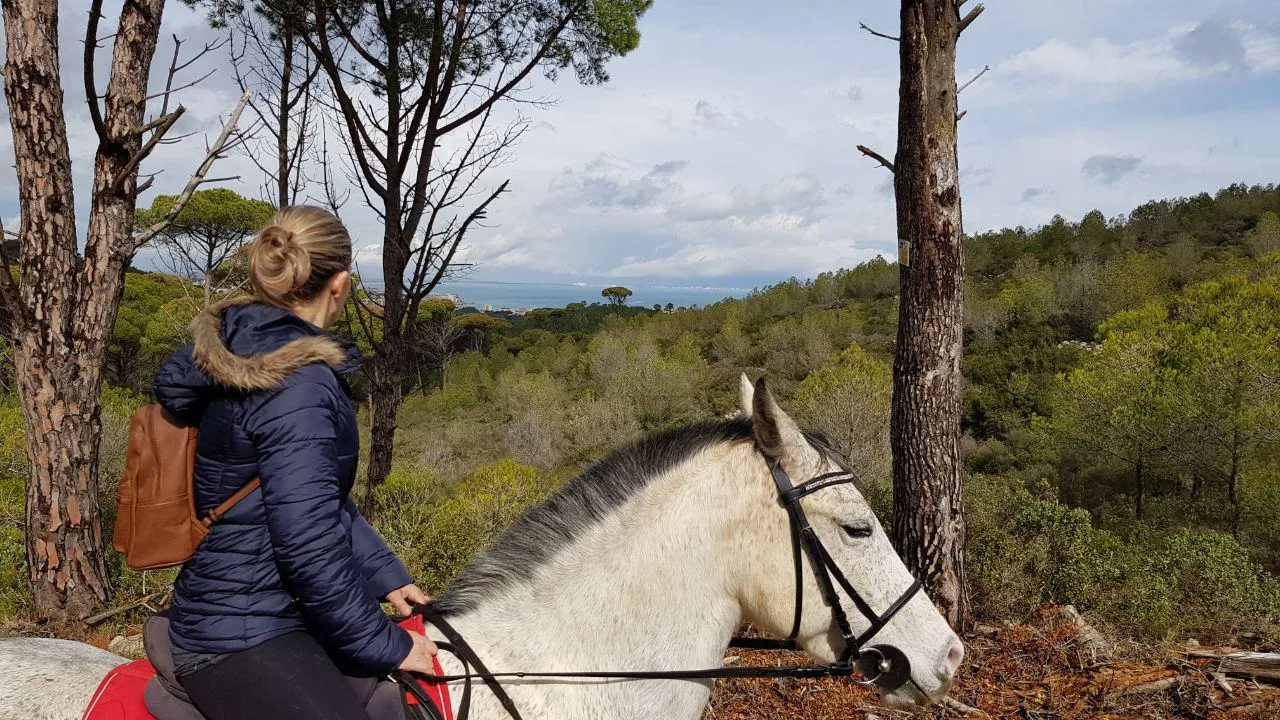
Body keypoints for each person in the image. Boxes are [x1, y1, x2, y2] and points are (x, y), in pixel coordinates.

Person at [153, 205, 438, 719]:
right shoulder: (299, 386)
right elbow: (306, 543)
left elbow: (305, 497)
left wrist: (382, 572)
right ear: (341, 284)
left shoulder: (240, 356)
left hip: (247, 604)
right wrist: (388, 645)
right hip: (241, 628)